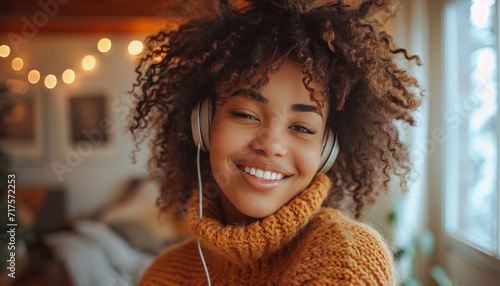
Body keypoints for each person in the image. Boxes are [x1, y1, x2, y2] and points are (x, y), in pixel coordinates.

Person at [130, 0, 422, 285]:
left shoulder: (347, 256)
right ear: (204, 124)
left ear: (326, 150)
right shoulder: (163, 274)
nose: (270, 144)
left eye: (301, 127)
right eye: (246, 114)